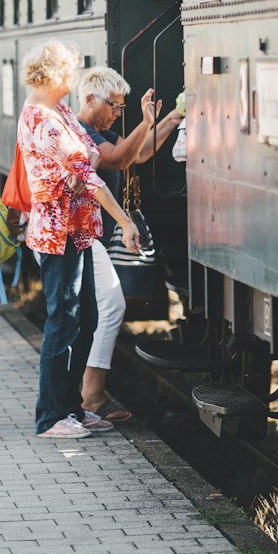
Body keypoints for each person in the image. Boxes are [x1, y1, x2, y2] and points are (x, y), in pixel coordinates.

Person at [18, 41, 140, 440]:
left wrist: (78, 170)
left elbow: (89, 153)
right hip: (57, 234)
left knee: (86, 317)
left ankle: (73, 408)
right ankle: (51, 417)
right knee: (62, 322)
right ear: (53, 74)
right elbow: (86, 171)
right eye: (69, 71)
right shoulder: (42, 118)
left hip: (80, 228)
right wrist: (123, 220)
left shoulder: (61, 111)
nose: (73, 78)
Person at [76, 67, 185, 422]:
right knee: (103, 309)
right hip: (85, 235)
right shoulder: (83, 133)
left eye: (123, 108)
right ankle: (88, 395)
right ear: (90, 99)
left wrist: (171, 118)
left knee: (100, 309)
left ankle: (88, 393)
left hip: (97, 235)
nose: (117, 113)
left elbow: (138, 154)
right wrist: (145, 120)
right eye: (115, 106)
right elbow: (120, 157)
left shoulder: (102, 131)